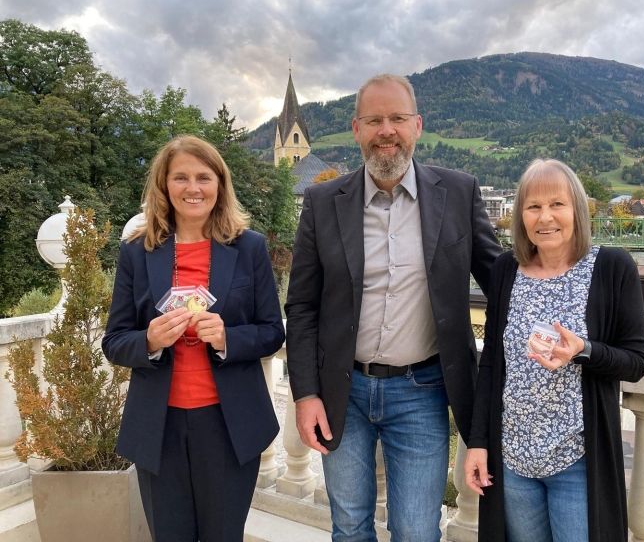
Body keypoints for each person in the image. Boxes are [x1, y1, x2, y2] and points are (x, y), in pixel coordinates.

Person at [285, 74, 501, 541]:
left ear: (417, 125)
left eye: (398, 118)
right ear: (356, 128)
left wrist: (572, 283)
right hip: (343, 392)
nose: (387, 130)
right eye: (375, 119)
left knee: (417, 532)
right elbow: (301, 306)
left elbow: (503, 281)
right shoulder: (324, 202)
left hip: (423, 392)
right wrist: (305, 394)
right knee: (349, 526)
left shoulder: (458, 193)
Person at [102, 135, 285, 542]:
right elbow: (114, 340)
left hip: (229, 424)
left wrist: (226, 338)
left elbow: (273, 331)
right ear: (164, 185)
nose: (193, 188)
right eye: (180, 177)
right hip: (158, 425)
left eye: (204, 177)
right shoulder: (137, 251)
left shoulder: (249, 248)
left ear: (219, 184)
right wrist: (148, 340)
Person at [463, 158, 644, 542]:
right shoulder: (505, 270)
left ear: (576, 210)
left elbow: (635, 362)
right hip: (512, 461)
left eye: (556, 204)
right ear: (521, 217)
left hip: (577, 461)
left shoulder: (611, 268)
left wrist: (584, 350)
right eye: (533, 207)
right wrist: (478, 443)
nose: (545, 217)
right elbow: (492, 365)